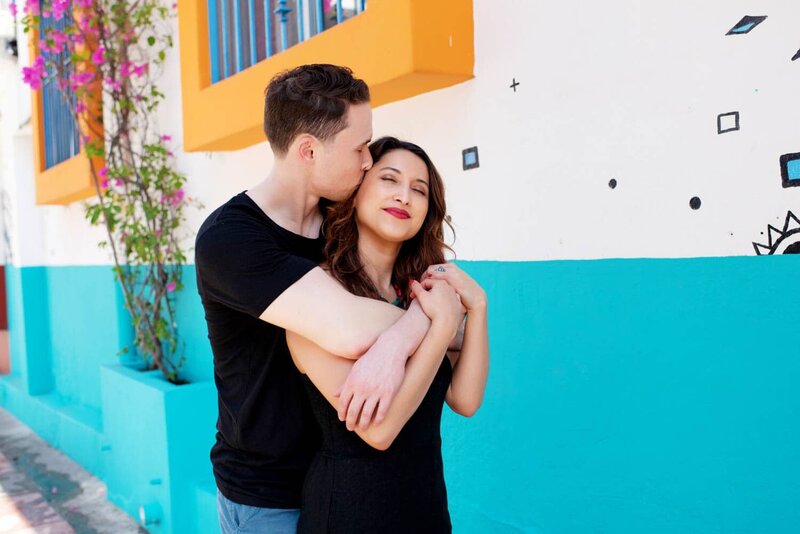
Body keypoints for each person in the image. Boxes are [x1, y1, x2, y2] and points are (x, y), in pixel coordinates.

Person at [194, 64, 465, 533]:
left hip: (342, 479)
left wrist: (437, 316)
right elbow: (352, 331)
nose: (367, 161)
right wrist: (424, 320)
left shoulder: (340, 226)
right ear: (308, 150)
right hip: (268, 495)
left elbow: (454, 328)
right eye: (359, 147)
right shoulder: (231, 241)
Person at [288, 137, 490, 533]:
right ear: (357, 190)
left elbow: (465, 400)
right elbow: (378, 432)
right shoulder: (318, 295)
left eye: (419, 190)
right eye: (390, 179)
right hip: (348, 511)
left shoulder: (422, 293)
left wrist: (479, 307)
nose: (405, 196)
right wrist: (440, 326)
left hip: (426, 506)